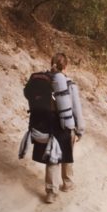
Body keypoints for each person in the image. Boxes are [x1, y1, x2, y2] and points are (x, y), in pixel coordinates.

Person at [23, 53, 84, 204]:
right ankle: (67, 183)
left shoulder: (41, 80)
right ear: (66, 66)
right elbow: (76, 109)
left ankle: (51, 192)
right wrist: (79, 130)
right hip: (63, 125)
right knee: (67, 153)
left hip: (44, 124)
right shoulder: (69, 84)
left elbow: (29, 96)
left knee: (52, 157)